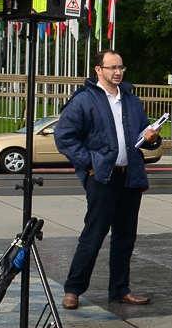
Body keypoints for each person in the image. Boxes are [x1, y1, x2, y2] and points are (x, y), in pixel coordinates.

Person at [56, 50, 162, 310]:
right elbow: (64, 137)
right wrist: (90, 163)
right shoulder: (83, 100)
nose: (118, 72)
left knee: (125, 236)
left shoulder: (131, 100)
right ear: (98, 70)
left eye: (121, 67)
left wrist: (152, 139)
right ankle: (74, 289)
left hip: (131, 177)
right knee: (94, 235)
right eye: (112, 67)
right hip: (103, 177)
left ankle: (119, 289)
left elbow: (146, 138)